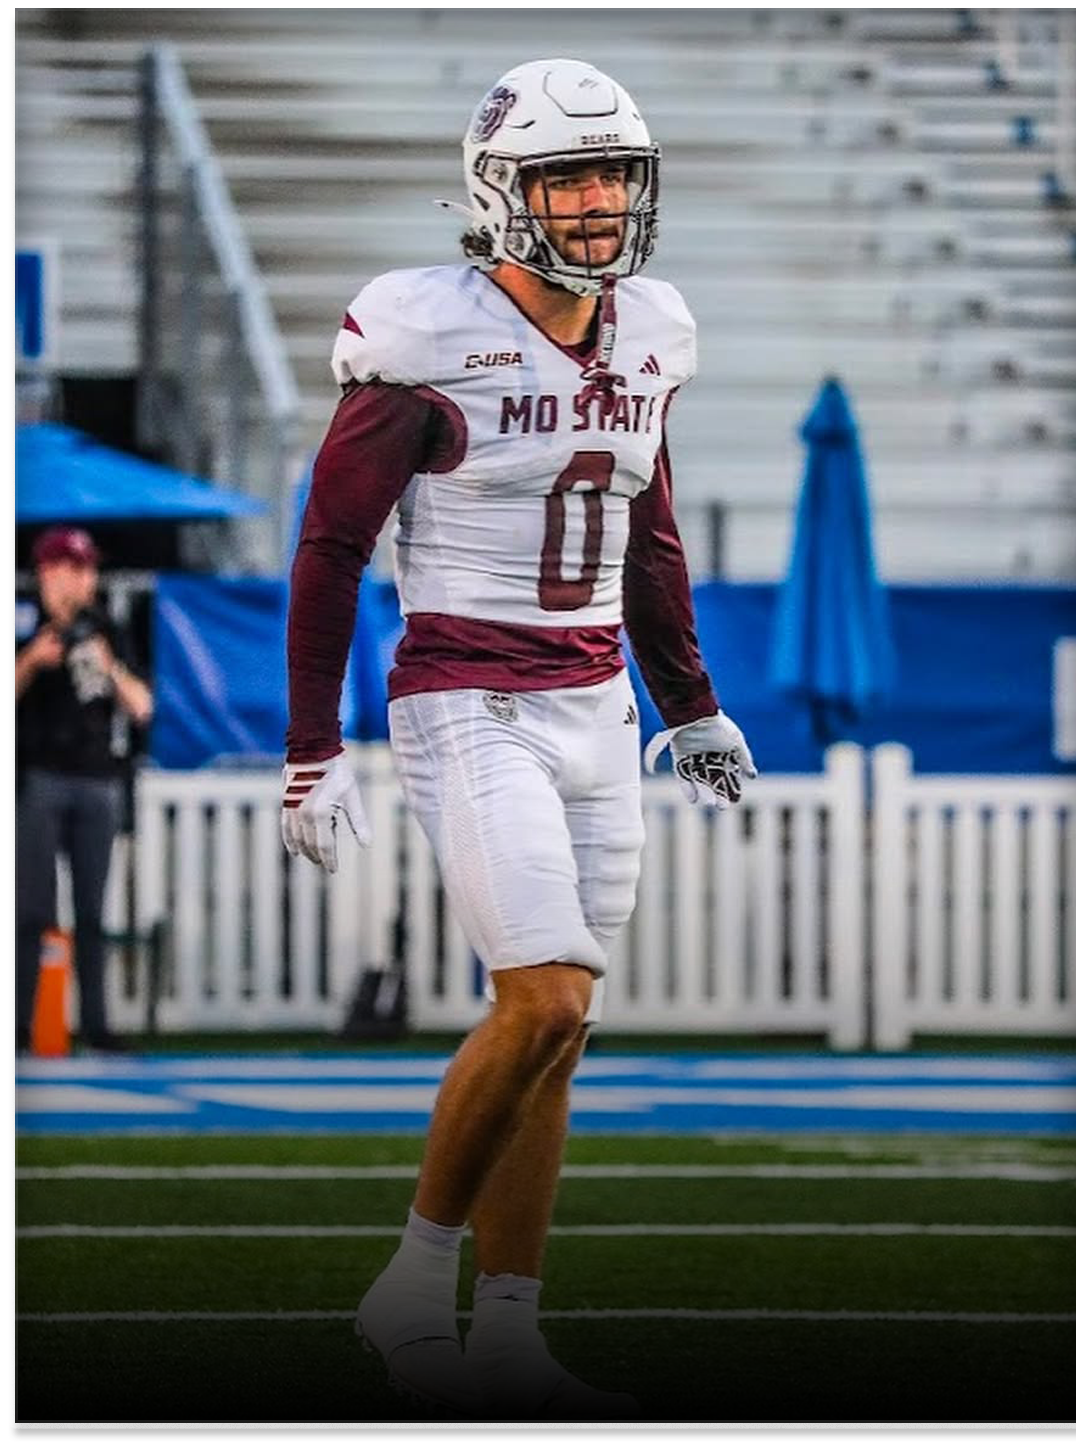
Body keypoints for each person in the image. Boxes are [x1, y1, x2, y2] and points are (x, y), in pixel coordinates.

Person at [281, 58, 756, 1419]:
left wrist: (689, 703)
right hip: (466, 692)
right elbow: (326, 551)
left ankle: (504, 1329)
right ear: (502, 194)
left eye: (615, 174)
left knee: (563, 1025)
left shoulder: (651, 330)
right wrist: (309, 745)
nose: (601, 203)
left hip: (596, 700)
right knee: (538, 990)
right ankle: (408, 1282)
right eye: (570, 176)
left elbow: (644, 528)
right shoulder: (425, 339)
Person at [15, 526, 153, 1053]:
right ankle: (22, 1024)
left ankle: (95, 1023)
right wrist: (32, 660)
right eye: (74, 569)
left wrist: (108, 665)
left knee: (92, 911)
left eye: (89, 570)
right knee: (31, 909)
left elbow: (142, 706)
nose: (84, 581)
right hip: (41, 776)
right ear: (48, 573)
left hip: (97, 777)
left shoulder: (106, 629)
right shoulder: (24, 621)